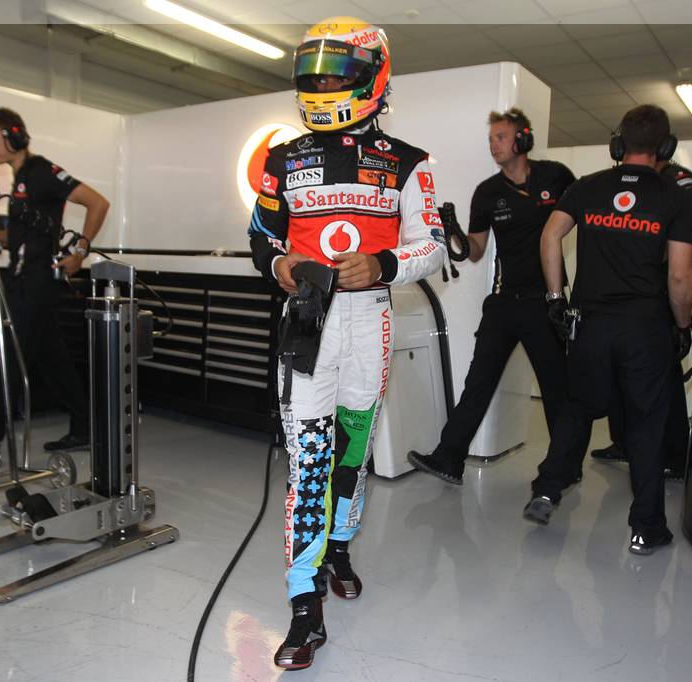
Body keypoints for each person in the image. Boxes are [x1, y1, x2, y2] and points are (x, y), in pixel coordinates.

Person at [248, 17, 446, 670]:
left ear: (370, 77)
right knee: (308, 462)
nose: (322, 84)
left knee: (351, 452)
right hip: (308, 324)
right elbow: (261, 237)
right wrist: (279, 265)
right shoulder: (282, 158)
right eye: (313, 73)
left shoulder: (411, 162)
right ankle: (304, 607)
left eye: (335, 73)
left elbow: (432, 246)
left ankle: (339, 546)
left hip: (370, 322)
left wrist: (383, 265)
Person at [523, 105, 692, 556]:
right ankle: (646, 529)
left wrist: (555, 298)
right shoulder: (674, 196)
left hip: (590, 326)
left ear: (618, 144)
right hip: (645, 330)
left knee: (577, 410)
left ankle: (547, 491)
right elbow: (680, 277)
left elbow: (549, 236)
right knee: (645, 425)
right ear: (666, 148)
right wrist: (682, 325)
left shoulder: (588, 186)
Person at [407, 108, 575, 484]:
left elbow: (580, 219)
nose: (493, 145)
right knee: (479, 381)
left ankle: (564, 465)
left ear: (523, 139)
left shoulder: (556, 176)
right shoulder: (487, 192)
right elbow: (475, 251)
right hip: (503, 303)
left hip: (544, 303)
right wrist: (453, 232)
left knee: (556, 387)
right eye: (490, 139)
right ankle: (449, 458)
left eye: (500, 137)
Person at [0, 107, 110, 461]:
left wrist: (79, 253)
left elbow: (98, 203)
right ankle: (85, 427)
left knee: (6, 358)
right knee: (54, 360)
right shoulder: (20, 178)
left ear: (14, 135)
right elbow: (24, 233)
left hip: (37, 283)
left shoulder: (41, 172)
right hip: (23, 279)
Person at [591, 156, 692, 478]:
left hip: (661, 286)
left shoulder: (676, 175)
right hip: (630, 290)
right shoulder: (626, 180)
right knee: (619, 364)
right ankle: (623, 442)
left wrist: (666, 249)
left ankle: (674, 455)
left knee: (665, 372)